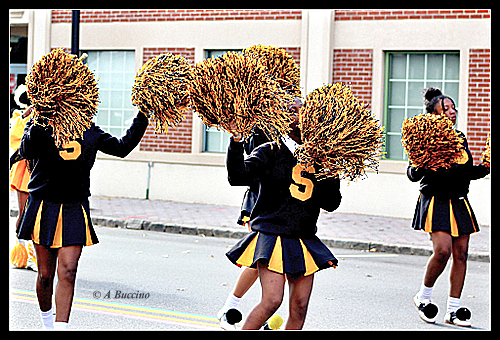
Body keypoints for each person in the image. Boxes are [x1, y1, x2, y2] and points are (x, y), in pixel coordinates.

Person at [17, 106, 149, 329]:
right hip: (43, 206)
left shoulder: (90, 130)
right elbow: (27, 150)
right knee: (45, 276)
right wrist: (40, 115)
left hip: (74, 207)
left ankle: (60, 328)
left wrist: (143, 114)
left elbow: (122, 147)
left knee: (68, 271)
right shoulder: (40, 123)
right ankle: (47, 322)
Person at [225, 105, 342, 330]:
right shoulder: (269, 151)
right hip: (272, 235)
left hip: (303, 237)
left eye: (303, 111)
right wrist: (237, 140)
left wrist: (332, 171)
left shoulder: (321, 158)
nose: (299, 116)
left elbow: (331, 203)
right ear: (283, 120)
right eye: (292, 111)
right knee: (272, 300)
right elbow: (237, 176)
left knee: (299, 306)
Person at [218, 99, 302, 330]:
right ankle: (230, 307)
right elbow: (243, 167)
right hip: (261, 197)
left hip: (289, 203)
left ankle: (259, 315)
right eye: (292, 110)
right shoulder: (263, 127)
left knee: (273, 261)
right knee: (262, 257)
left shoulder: (305, 141)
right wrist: (239, 133)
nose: (297, 114)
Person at [409, 87, 489, 327]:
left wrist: (486, 166)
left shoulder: (461, 138)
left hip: (459, 201)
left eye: (453, 108)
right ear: (433, 115)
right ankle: (423, 297)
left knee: (461, 254)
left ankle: (453, 309)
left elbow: (465, 172)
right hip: (436, 200)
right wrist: (425, 161)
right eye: (446, 109)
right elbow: (413, 173)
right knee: (442, 251)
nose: (452, 112)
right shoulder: (424, 138)